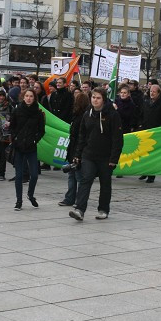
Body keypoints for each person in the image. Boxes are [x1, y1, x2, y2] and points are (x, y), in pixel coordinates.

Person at [69, 88, 124, 221]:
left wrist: (114, 158)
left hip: (106, 156)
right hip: (89, 155)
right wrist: (78, 154)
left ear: (103, 99)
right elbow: (82, 135)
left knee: (105, 183)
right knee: (85, 179)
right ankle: (80, 210)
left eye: (98, 98)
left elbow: (117, 139)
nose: (95, 100)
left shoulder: (112, 115)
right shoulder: (87, 114)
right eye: (93, 97)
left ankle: (103, 209)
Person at [10, 88, 45, 210]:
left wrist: (35, 139)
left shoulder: (39, 113)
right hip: (19, 147)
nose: (29, 98)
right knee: (19, 175)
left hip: (31, 147)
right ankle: (18, 201)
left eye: (31, 96)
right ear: (23, 97)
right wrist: (14, 138)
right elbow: (12, 126)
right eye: (27, 96)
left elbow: (41, 130)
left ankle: (30, 195)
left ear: (34, 98)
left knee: (34, 175)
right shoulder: (17, 110)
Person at [60, 90, 90, 206]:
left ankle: (78, 200)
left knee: (77, 176)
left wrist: (77, 153)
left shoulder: (82, 117)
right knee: (72, 175)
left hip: (78, 149)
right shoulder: (77, 116)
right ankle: (70, 198)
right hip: (74, 148)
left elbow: (80, 136)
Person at [139, 84, 161, 183]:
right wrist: (140, 125)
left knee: (152, 154)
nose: (152, 93)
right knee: (144, 153)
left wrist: (159, 129)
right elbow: (141, 115)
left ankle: (151, 175)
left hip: (156, 132)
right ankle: (144, 172)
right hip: (145, 131)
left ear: (158, 93)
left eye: (154, 91)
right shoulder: (145, 102)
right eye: (150, 91)